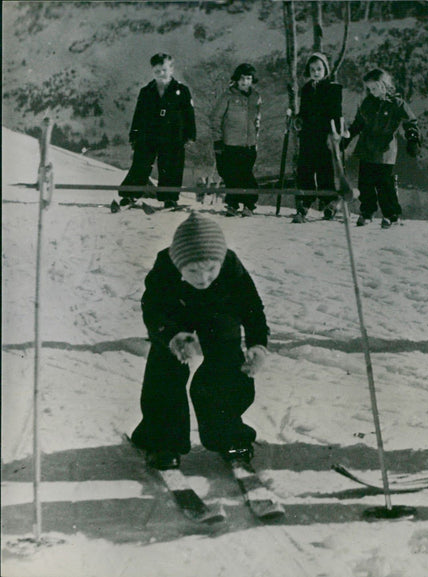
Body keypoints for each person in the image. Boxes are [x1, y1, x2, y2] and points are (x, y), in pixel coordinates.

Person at [130, 212, 269, 469]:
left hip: (218, 313)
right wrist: (171, 336)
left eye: (210, 270)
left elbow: (252, 309)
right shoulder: (166, 266)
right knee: (166, 365)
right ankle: (161, 440)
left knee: (227, 366)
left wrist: (257, 345)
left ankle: (229, 434)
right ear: (180, 263)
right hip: (176, 315)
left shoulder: (230, 265)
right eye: (193, 270)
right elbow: (153, 308)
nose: (203, 278)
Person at [341, 68, 421, 229]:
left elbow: (410, 121)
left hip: (385, 152)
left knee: (385, 185)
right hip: (366, 148)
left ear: (384, 85)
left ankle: (391, 215)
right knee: (365, 184)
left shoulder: (397, 104)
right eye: (369, 89)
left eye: (374, 88)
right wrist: (347, 138)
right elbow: (359, 123)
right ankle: (367, 212)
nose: (371, 92)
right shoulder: (368, 103)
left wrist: (412, 138)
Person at [118, 53, 196, 209]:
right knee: (141, 164)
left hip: (173, 135)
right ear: (152, 71)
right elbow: (138, 114)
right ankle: (130, 195)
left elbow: (189, 115)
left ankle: (169, 198)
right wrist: (134, 134)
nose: (161, 74)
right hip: (148, 134)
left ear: (171, 69)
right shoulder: (147, 91)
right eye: (157, 71)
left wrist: (190, 136)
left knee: (171, 166)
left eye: (164, 70)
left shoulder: (181, 90)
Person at [292, 53, 343, 224]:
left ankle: (329, 203)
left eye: (319, 69)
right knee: (305, 169)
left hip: (324, 136)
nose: (316, 72)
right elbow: (304, 112)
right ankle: (304, 203)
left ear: (325, 70)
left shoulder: (333, 88)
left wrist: (336, 135)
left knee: (324, 170)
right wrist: (298, 119)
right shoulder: (306, 89)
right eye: (312, 69)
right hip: (308, 135)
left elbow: (336, 114)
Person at [210, 63, 262, 217]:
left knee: (246, 175)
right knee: (230, 175)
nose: (245, 82)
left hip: (248, 145)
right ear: (237, 79)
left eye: (248, 78)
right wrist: (217, 141)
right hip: (230, 143)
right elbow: (215, 119)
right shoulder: (228, 96)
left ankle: (249, 204)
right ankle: (232, 204)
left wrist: (255, 140)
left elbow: (257, 120)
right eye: (242, 79)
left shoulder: (256, 97)